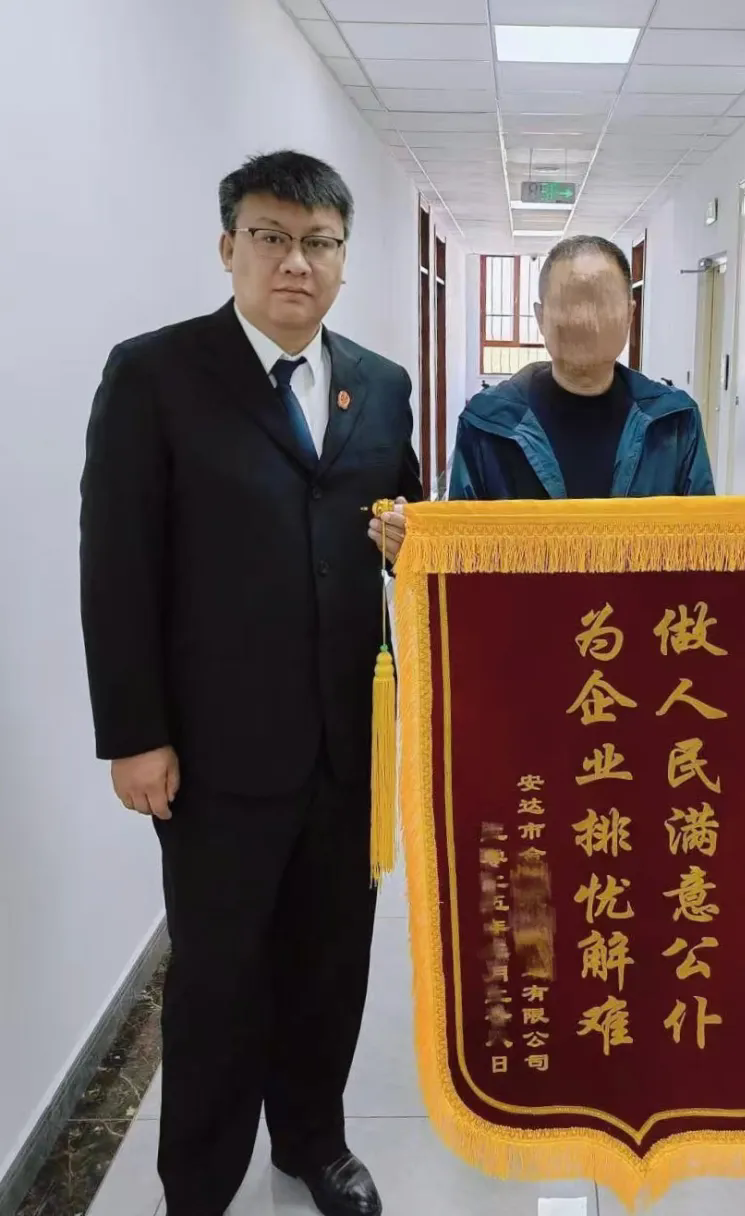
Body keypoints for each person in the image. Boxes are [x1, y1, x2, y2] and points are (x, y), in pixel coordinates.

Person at [79, 150, 416, 1216]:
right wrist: (135, 733)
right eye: (271, 237)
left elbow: (401, 522)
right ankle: (199, 1182)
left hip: (349, 744)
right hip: (216, 752)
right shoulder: (157, 375)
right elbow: (116, 565)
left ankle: (316, 1141)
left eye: (319, 242)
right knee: (220, 980)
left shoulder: (382, 385)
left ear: (344, 259)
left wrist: (412, 541)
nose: (295, 262)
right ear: (229, 247)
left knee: (331, 964)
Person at [449, 235, 714, 500]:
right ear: (541, 317)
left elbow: (704, 524)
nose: (584, 320)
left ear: (629, 315)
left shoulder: (674, 422)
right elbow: (459, 525)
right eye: (567, 303)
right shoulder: (486, 423)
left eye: (602, 303)